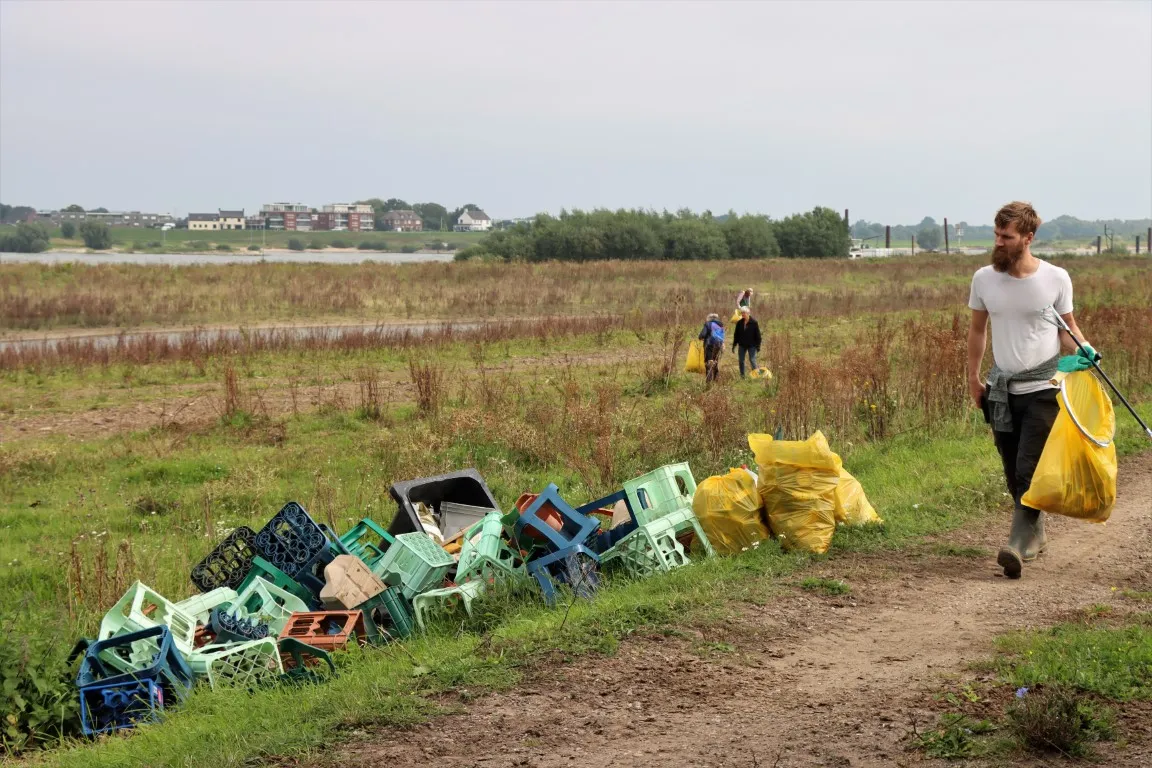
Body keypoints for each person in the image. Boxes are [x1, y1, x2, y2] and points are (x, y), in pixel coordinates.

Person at [967, 201, 1097, 580]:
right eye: (996, 234)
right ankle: (1035, 531)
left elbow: (1066, 328)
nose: (998, 242)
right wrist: (974, 378)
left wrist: (1085, 350)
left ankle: (1016, 545)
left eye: (1006, 236)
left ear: (1028, 237)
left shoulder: (1056, 278)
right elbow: (978, 331)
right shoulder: (984, 279)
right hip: (1001, 388)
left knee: (1029, 467)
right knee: (1011, 468)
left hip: (1044, 387)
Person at [731, 306, 762, 378]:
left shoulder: (754, 322)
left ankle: (756, 376)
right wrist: (734, 345)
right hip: (742, 345)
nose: (742, 314)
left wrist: (758, 346)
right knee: (741, 361)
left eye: (744, 313)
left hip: (752, 345)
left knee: (752, 360)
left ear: (748, 313)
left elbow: (758, 336)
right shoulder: (739, 323)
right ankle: (742, 376)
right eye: (742, 313)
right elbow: (736, 335)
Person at [698, 313, 725, 384]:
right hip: (718, 345)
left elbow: (702, 335)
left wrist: (701, 337)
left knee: (708, 363)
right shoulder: (720, 325)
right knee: (715, 362)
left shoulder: (708, 324)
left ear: (709, 318)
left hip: (709, 345)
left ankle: (708, 382)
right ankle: (716, 379)